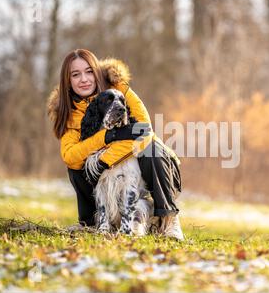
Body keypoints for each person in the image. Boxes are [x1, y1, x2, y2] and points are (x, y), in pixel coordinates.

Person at [47, 49, 184, 240]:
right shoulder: (68, 110)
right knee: (76, 166)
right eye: (75, 75)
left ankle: (169, 220)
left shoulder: (118, 87)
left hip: (160, 171)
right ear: (67, 81)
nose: (84, 79)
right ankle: (91, 222)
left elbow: (144, 131)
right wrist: (108, 138)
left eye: (89, 72)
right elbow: (70, 156)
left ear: (96, 72)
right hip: (105, 170)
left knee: (151, 150)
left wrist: (105, 158)